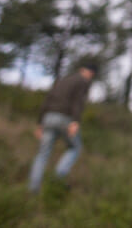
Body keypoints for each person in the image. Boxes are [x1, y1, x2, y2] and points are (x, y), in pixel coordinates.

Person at [28, 59, 98, 193]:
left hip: (48, 118)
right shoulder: (83, 81)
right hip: (64, 118)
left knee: (42, 154)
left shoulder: (64, 80)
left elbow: (48, 99)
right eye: (92, 75)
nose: (91, 77)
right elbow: (78, 102)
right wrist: (75, 121)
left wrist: (40, 123)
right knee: (75, 148)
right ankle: (58, 178)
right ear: (90, 72)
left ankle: (33, 189)